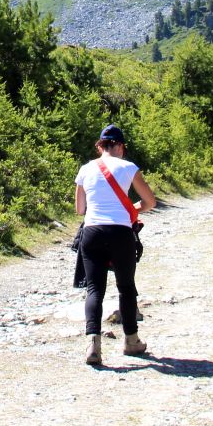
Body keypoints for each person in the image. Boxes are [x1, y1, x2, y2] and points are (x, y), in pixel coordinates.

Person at [74, 124, 158, 366]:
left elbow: (80, 209)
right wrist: (132, 211)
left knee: (94, 290)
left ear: (100, 146)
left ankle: (93, 344)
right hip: (121, 233)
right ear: (120, 146)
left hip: (91, 232)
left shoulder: (85, 169)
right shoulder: (129, 168)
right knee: (126, 287)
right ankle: (131, 341)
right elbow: (149, 201)